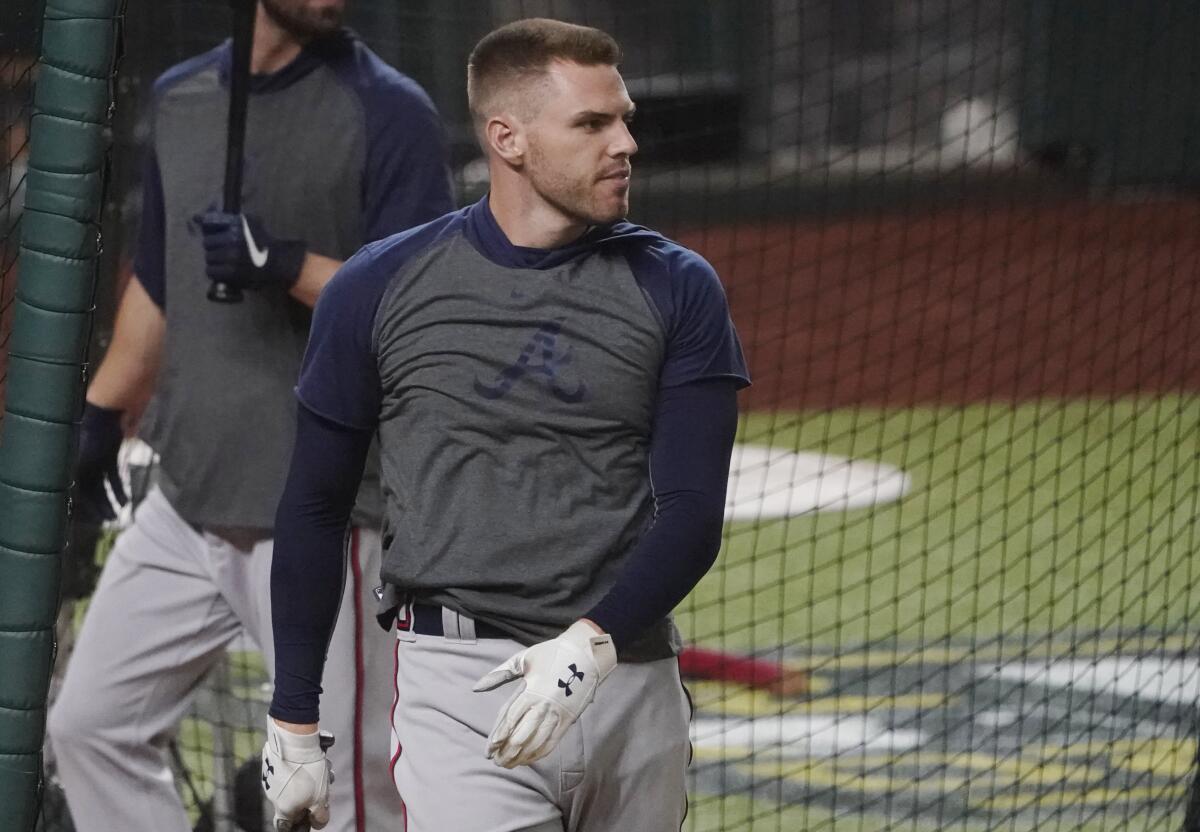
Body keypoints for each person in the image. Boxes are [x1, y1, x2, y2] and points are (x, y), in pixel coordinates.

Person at [262, 17, 749, 832]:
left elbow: (695, 516)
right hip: (459, 690)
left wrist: (591, 645)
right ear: (508, 138)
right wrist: (292, 722)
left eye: (623, 118)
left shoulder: (678, 287)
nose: (625, 142)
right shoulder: (377, 287)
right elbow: (314, 508)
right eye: (593, 124)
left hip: (631, 677)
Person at [45, 1, 454, 830]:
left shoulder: (389, 109)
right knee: (90, 729)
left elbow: (420, 309)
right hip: (188, 497)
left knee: (343, 788)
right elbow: (161, 285)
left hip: (327, 513)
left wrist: (290, 265)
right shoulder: (181, 97)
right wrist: (97, 415)